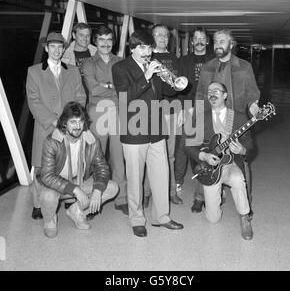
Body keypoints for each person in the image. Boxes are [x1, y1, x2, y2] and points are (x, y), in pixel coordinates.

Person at [112, 30, 183, 237]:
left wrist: (172, 81)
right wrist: (147, 75)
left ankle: (162, 217)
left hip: (157, 129)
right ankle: (137, 219)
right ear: (132, 48)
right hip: (134, 130)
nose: (147, 51)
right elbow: (126, 97)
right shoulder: (120, 68)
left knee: (161, 175)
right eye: (142, 47)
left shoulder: (156, 65)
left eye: (149, 47)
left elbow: (167, 93)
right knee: (135, 178)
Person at [195, 28, 260, 210]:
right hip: (211, 117)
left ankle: (246, 202)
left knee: (241, 158)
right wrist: (197, 115)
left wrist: (253, 105)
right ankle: (201, 195)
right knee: (207, 154)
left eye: (222, 41)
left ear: (231, 45)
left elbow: (252, 92)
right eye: (216, 41)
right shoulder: (207, 66)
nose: (218, 45)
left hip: (236, 118)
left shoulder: (244, 66)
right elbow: (200, 93)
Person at [26, 32, 86, 221]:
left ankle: (68, 198)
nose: (56, 50)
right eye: (52, 46)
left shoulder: (73, 70)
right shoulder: (34, 71)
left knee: (67, 163)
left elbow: (81, 97)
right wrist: (54, 121)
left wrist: (71, 121)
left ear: (64, 49)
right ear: (46, 48)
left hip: (68, 128)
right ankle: (38, 205)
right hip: (46, 127)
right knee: (41, 168)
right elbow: (34, 101)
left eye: (60, 47)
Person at [184, 82, 254, 240]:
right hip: (210, 169)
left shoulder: (238, 117)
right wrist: (204, 156)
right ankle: (217, 194)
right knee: (213, 219)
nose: (212, 94)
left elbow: (250, 144)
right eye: (209, 91)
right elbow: (187, 145)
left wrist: (242, 150)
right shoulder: (200, 117)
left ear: (225, 95)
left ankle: (245, 218)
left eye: (216, 91)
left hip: (229, 164)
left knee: (237, 178)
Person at [39, 101, 119, 238]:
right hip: (56, 183)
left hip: (79, 180)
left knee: (112, 188)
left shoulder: (91, 140)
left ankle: (76, 211)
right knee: (47, 196)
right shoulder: (52, 141)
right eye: (73, 122)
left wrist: (97, 190)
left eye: (81, 121)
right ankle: (50, 219)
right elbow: (47, 176)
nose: (78, 126)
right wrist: (75, 189)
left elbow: (103, 168)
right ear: (64, 123)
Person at [83, 26, 128, 216]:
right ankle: (93, 199)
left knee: (119, 157)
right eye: (101, 39)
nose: (106, 43)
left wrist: (106, 86)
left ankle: (122, 198)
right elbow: (93, 89)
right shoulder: (88, 63)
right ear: (95, 41)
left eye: (109, 39)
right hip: (97, 113)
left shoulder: (121, 62)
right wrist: (112, 86)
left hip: (118, 112)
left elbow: (125, 88)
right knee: (96, 158)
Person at [143, 24, 183, 207]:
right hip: (150, 110)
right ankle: (146, 192)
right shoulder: (145, 56)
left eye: (165, 35)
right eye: (158, 34)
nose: (162, 37)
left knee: (170, 154)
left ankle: (171, 191)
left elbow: (180, 85)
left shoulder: (175, 59)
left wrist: (181, 108)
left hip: (171, 109)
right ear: (152, 37)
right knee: (148, 152)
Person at [176, 27, 213, 213]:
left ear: (207, 41)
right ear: (191, 42)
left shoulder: (215, 60)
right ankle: (181, 182)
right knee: (189, 147)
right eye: (196, 38)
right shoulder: (184, 61)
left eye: (202, 38)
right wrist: (183, 108)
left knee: (210, 147)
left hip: (210, 110)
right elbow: (179, 87)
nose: (199, 41)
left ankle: (211, 188)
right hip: (191, 108)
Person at [62, 22, 97, 99]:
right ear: (74, 35)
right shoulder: (64, 56)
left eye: (87, 35)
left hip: (94, 99)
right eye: (81, 35)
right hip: (74, 100)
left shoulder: (97, 53)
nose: (85, 38)